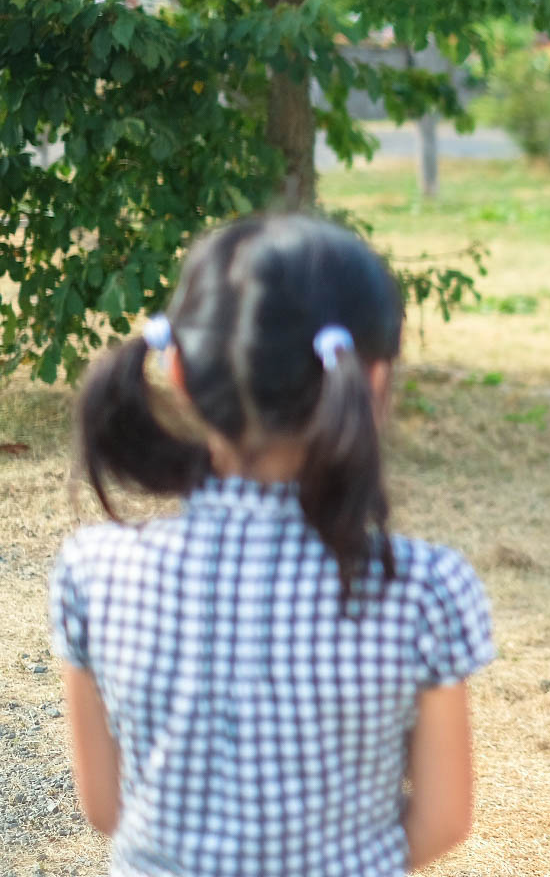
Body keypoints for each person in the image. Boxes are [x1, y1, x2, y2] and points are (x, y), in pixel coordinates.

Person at [48, 215, 495, 875]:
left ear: (178, 371)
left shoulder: (90, 570)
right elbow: (442, 819)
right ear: (371, 381)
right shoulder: (424, 587)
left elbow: (106, 809)